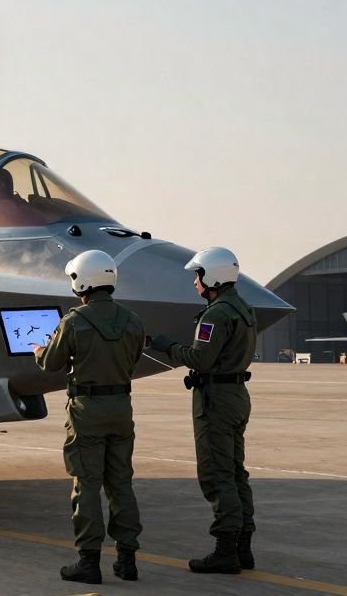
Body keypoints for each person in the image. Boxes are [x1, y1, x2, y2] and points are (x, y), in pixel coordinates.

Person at [36, 249, 144, 584]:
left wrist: (39, 350)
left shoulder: (74, 321)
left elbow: (51, 364)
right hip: (121, 408)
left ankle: (89, 561)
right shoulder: (131, 320)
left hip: (87, 411)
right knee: (121, 484)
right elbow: (133, 359)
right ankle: (127, 561)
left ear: (81, 281)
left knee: (87, 484)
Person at [150, 246, 257, 574]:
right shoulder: (244, 310)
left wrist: (168, 346)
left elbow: (200, 359)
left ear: (212, 276)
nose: (195, 282)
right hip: (237, 394)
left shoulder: (215, 315)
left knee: (216, 473)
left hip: (217, 400)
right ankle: (243, 548)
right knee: (237, 471)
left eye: (198, 275)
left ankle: (225, 551)